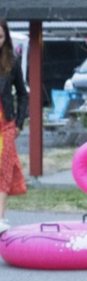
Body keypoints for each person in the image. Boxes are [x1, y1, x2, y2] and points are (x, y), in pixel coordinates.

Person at [0, 18, 29, 233]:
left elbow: (22, 94)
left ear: (6, 38)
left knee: (4, 169)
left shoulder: (12, 61)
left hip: (7, 124)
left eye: (0, 37)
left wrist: (19, 122)